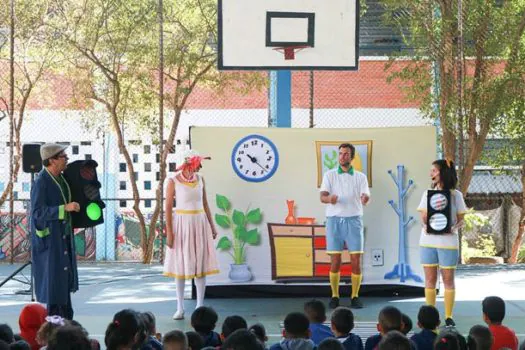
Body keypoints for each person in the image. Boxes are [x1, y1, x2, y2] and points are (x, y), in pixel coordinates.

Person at [163, 149, 219, 320]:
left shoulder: (200, 179)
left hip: (200, 224)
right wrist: (170, 233)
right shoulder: (173, 180)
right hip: (182, 225)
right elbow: (167, 208)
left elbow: (205, 203)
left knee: (200, 266)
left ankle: (199, 306)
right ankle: (179, 307)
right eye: (197, 163)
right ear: (188, 163)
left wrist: (212, 225)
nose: (199, 166)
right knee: (180, 266)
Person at [30, 144, 80, 319]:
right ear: (51, 160)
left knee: (64, 284)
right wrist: (64, 208)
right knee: (54, 288)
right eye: (63, 156)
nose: (67, 159)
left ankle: (67, 322)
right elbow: (37, 213)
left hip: (64, 238)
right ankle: (55, 329)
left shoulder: (62, 180)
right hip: (50, 242)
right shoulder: (41, 182)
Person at [319, 143, 370, 309]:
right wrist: (330, 199)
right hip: (334, 221)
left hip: (354, 220)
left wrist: (364, 199)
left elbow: (365, 196)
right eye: (340, 154)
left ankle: (355, 296)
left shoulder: (361, 177)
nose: (342, 156)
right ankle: (335, 295)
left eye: (346, 154)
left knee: (356, 260)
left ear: (352, 157)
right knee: (335, 260)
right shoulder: (330, 175)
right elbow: (322, 196)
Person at [417, 159, 467, 327]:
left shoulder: (456, 195)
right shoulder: (427, 194)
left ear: (442, 173)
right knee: (430, 280)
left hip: (448, 243)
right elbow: (423, 217)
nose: (431, 173)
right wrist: (425, 224)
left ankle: (448, 316)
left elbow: (461, 220)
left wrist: (454, 227)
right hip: (427, 242)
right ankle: (430, 317)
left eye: (434, 170)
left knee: (448, 280)